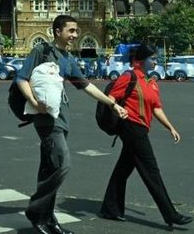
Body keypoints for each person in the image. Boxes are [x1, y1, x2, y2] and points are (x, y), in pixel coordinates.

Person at [15, 14, 128, 234]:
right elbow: (21, 78)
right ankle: (36, 209)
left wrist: (112, 104)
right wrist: (34, 102)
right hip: (47, 119)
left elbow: (85, 86)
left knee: (50, 168)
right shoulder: (42, 51)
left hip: (62, 118)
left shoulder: (68, 58)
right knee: (63, 164)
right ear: (58, 31)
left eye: (76, 31)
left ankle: (47, 220)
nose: (75, 35)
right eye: (71, 31)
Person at [99, 43, 192, 228]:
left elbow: (156, 108)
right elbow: (111, 98)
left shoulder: (151, 82)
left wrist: (170, 127)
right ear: (140, 61)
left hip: (141, 128)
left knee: (123, 170)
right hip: (131, 127)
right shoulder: (129, 77)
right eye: (153, 58)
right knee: (151, 171)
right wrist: (117, 108)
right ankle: (170, 214)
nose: (156, 61)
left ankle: (110, 208)